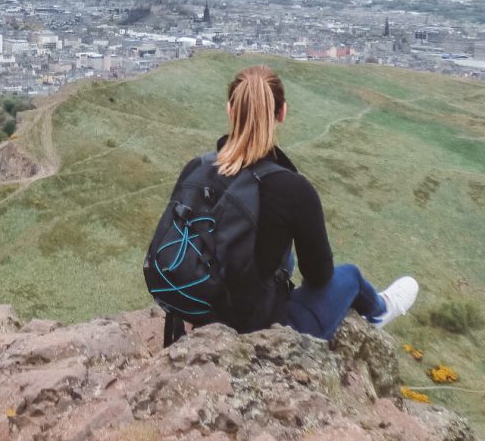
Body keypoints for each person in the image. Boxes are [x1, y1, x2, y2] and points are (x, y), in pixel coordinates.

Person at [172, 64, 418, 340]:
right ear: (282, 113)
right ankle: (380, 310)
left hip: (200, 313)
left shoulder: (196, 169)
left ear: (230, 110)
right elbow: (319, 275)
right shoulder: (293, 189)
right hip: (265, 330)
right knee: (350, 276)